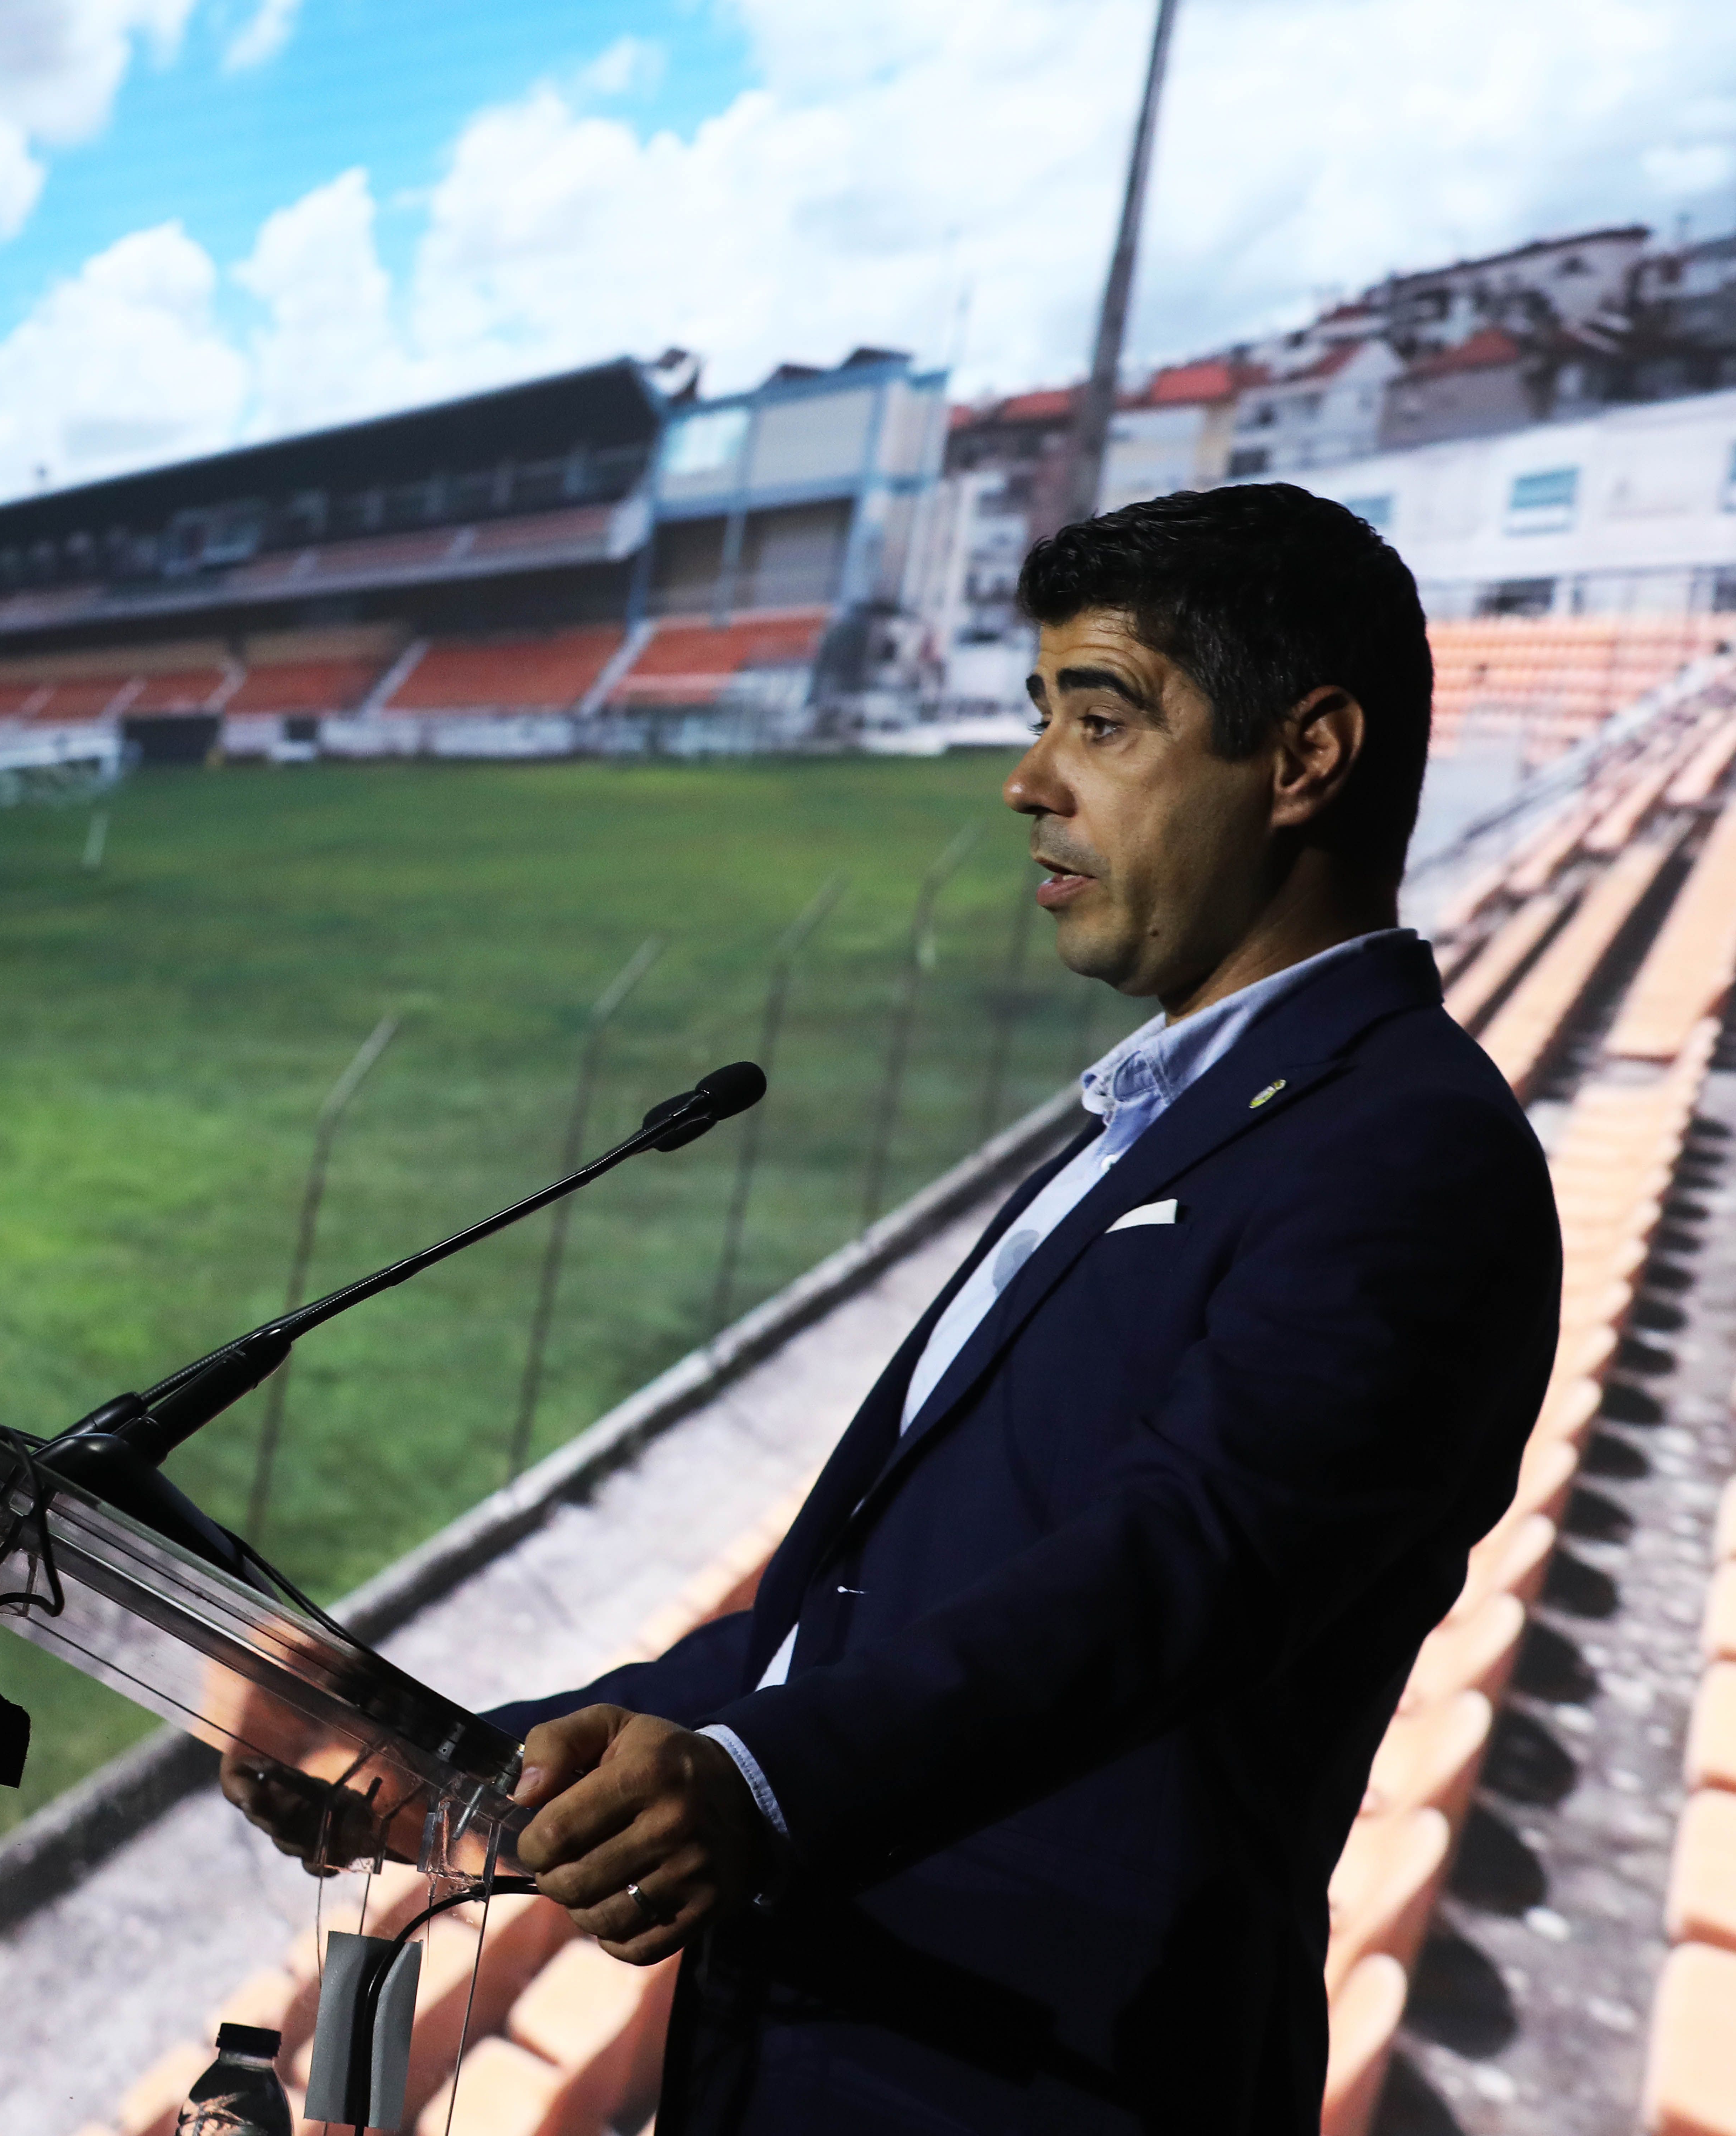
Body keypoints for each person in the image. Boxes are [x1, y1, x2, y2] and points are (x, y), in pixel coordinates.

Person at [483, 485, 1562, 2133]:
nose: (1029, 778)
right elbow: (866, 1617)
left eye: (1102, 720)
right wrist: (482, 1760)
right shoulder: (1161, 1120)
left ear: (1305, 758)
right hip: (815, 2062)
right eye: (1041, 713)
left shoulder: (1410, 1147)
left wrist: (762, 1785)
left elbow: (1179, 1567)